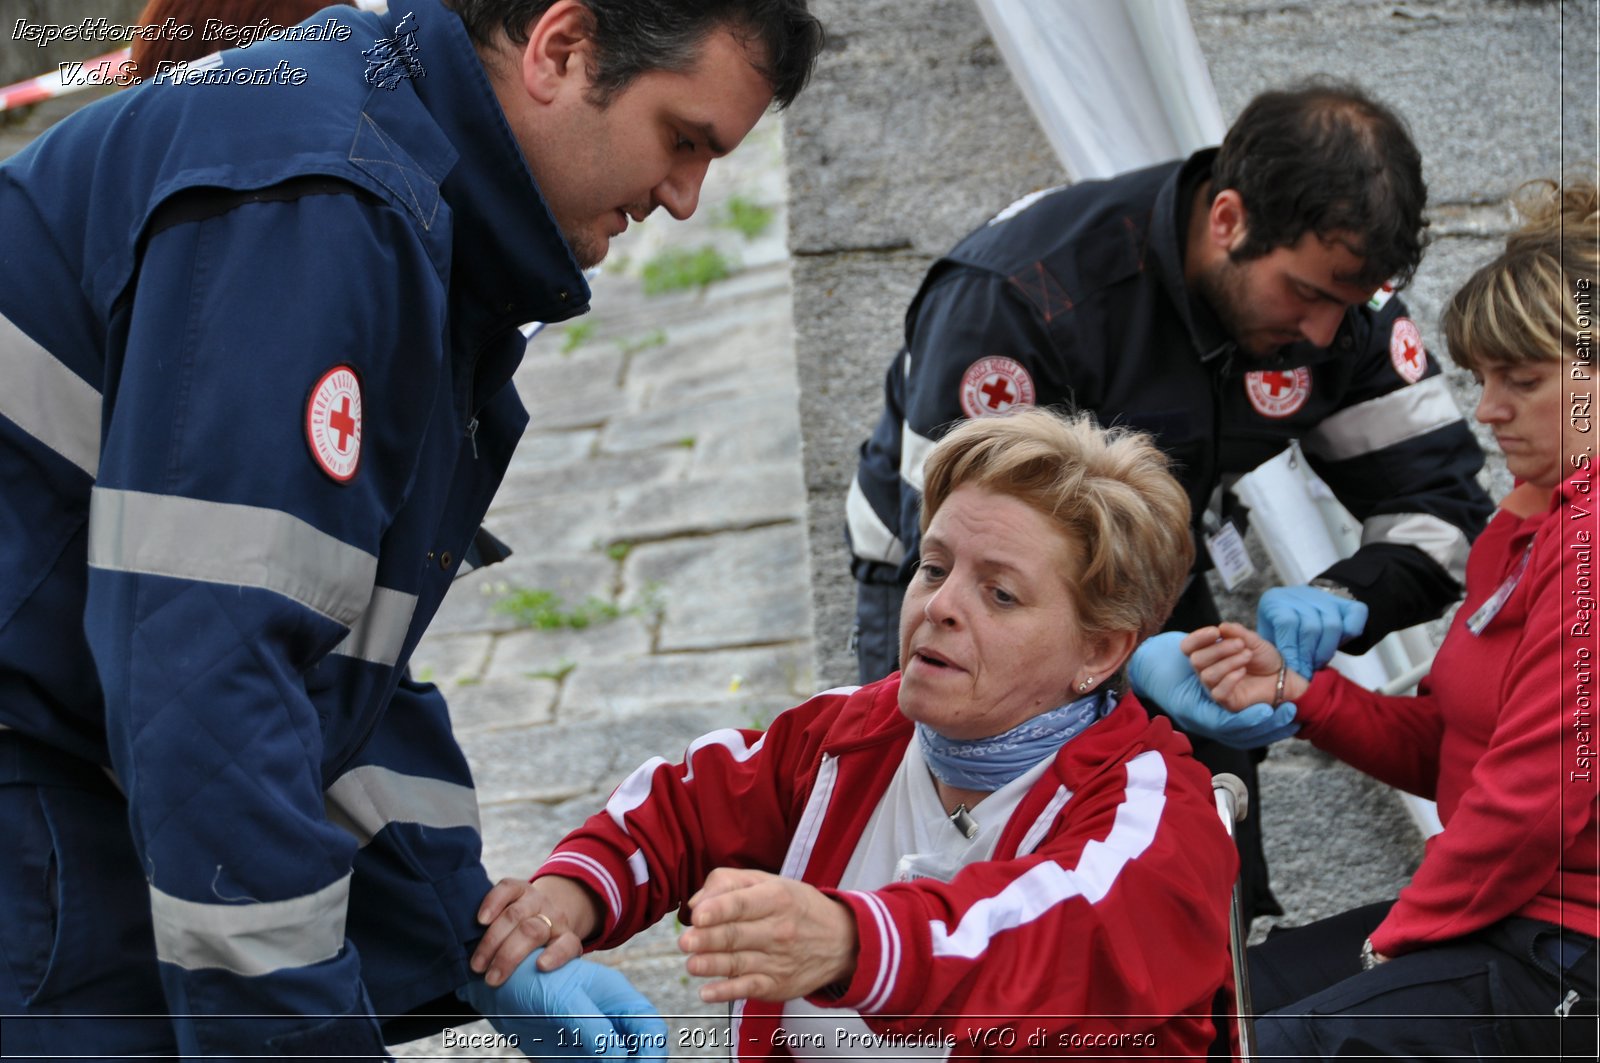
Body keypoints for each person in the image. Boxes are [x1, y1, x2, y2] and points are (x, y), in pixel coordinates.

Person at [0, 0, 822, 1056]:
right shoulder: (323, 205)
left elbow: (328, 658)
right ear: (559, 50)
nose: (684, 197)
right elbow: (208, 671)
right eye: (682, 139)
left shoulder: (401, 195)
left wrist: (463, 930)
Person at [846, 80, 1494, 918]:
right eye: (1306, 296)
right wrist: (1119, 670)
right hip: (967, 585)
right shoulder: (1024, 296)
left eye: (1349, 304)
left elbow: (1441, 504)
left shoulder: (1338, 290)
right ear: (1228, 221)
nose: (1328, 334)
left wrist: (1345, 597)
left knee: (1200, 855)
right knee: (970, 876)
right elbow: (957, 558)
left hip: (1143, 574)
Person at [465, 408, 1239, 1058]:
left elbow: (1039, 935)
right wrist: (565, 901)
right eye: (934, 568)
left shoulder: (1159, 819)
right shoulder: (849, 732)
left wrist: (845, 939)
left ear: (1100, 651)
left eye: (999, 593)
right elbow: (686, 806)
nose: (939, 605)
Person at [1131, 177, 1599, 1058]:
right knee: (1194, 999)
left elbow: (1533, 806)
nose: (1489, 410)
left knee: (1245, 1043)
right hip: (1508, 920)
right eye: (1483, 377)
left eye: (1523, 380)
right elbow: (1452, 751)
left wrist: (1397, 940)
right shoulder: (1526, 528)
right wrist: (1299, 693)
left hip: (1569, 960)